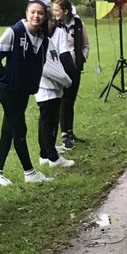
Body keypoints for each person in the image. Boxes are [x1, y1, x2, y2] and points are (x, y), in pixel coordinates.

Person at [0, 0, 52, 185]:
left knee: (8, 129)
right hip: (9, 90)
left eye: (40, 13)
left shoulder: (43, 38)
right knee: (19, 129)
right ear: (27, 13)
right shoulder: (15, 32)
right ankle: (29, 172)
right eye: (33, 12)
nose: (37, 16)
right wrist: (7, 78)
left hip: (24, 90)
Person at [36, 9, 77, 169]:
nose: (51, 24)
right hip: (47, 89)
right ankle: (52, 157)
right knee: (49, 123)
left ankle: (45, 153)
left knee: (47, 122)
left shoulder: (46, 40)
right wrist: (67, 81)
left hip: (52, 88)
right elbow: (49, 68)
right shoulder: (40, 43)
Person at [51, 0, 88, 151]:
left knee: (70, 101)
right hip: (59, 69)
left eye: (57, 10)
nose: (54, 13)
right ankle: (64, 134)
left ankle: (70, 132)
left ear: (65, 11)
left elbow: (85, 45)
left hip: (75, 68)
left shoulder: (79, 24)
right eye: (53, 10)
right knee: (62, 102)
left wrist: (82, 59)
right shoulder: (53, 27)